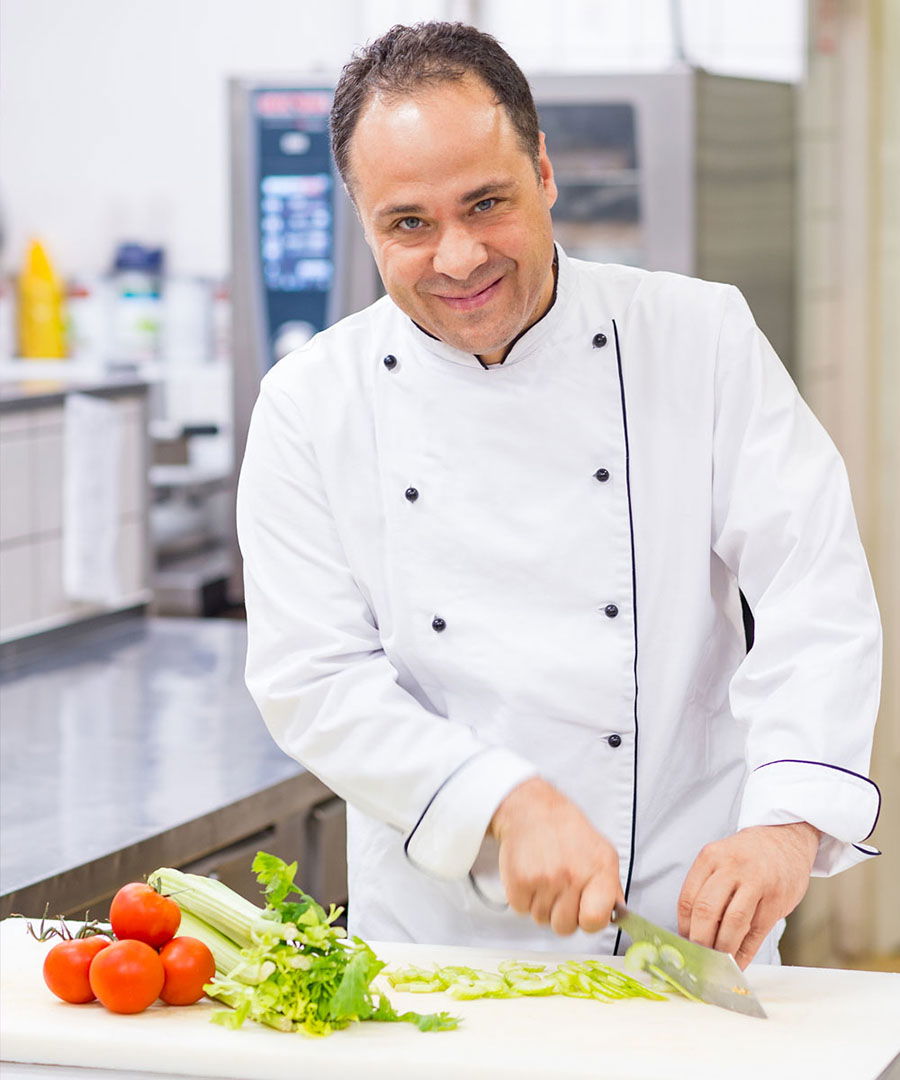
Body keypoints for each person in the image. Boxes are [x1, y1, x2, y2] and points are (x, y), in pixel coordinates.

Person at [236, 22, 882, 969]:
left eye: (486, 203)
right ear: (363, 219)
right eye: (409, 224)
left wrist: (787, 823)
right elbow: (313, 678)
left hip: (686, 918)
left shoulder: (696, 338)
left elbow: (812, 590)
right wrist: (502, 800)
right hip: (439, 950)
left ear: (543, 172)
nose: (458, 257)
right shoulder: (309, 404)